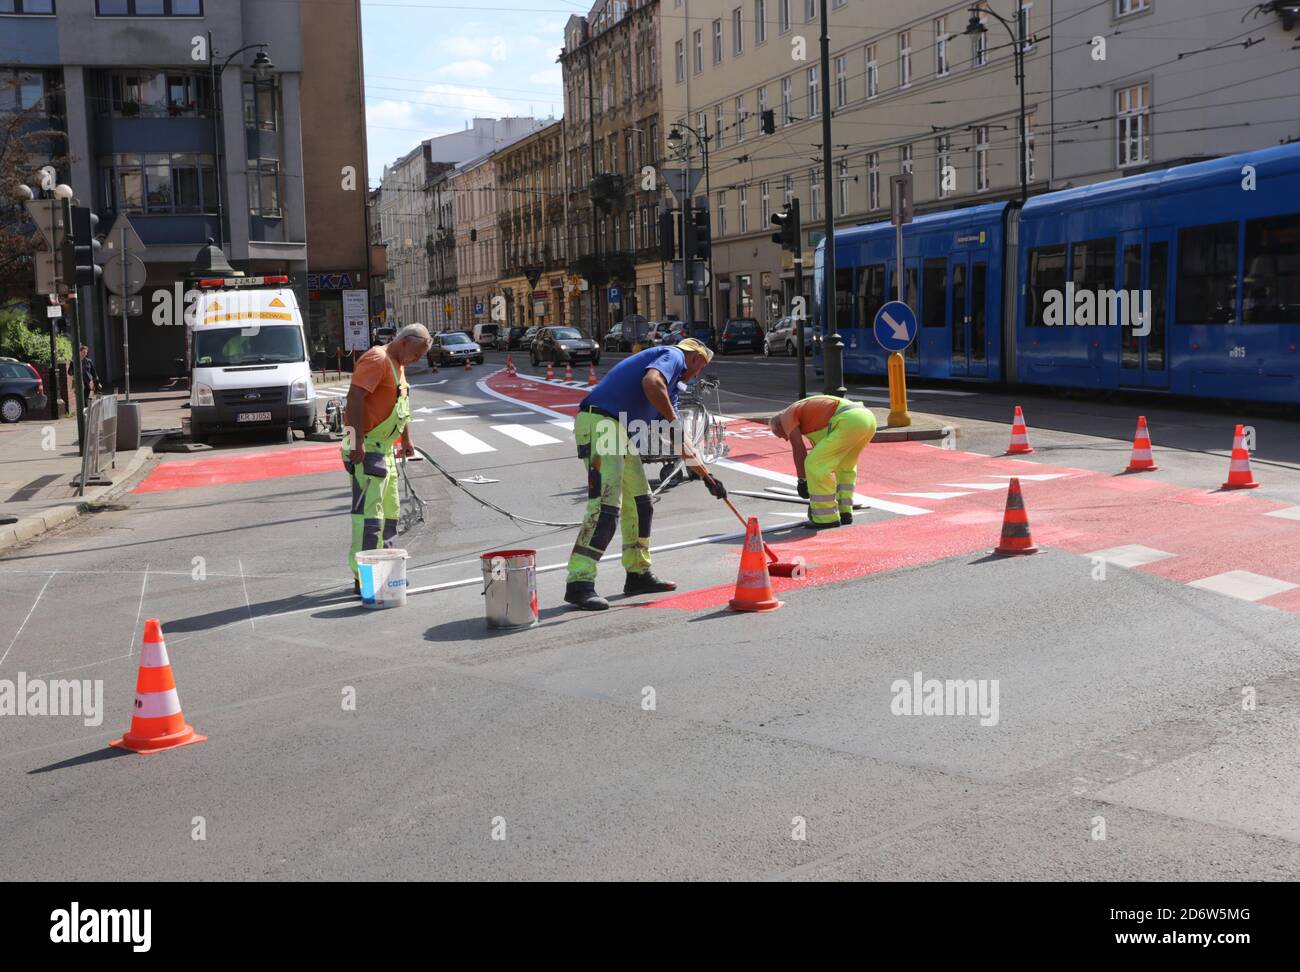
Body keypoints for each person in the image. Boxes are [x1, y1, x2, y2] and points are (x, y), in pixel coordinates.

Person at [564, 337, 726, 611]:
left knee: (641, 504)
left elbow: (680, 439)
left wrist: (708, 477)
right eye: (700, 368)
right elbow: (652, 383)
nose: (697, 374)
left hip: (618, 430)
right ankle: (579, 582)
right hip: (601, 422)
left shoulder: (672, 388)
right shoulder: (672, 355)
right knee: (606, 505)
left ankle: (638, 573)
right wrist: (674, 423)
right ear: (696, 358)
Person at [342, 323, 431, 594]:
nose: (416, 360)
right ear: (404, 342)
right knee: (369, 517)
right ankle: (364, 577)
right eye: (416, 354)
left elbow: (399, 405)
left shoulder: (396, 364)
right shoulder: (377, 358)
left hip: (384, 450)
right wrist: (355, 442)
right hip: (367, 447)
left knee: (389, 514)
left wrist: (405, 440)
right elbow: (354, 399)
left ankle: (386, 570)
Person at [768, 394, 877, 529]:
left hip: (847, 420)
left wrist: (802, 480)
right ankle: (845, 512)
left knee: (814, 464)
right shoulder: (812, 418)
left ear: (780, 425)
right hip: (867, 418)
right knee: (844, 466)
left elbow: (799, 449)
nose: (785, 439)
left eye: (781, 435)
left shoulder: (786, 416)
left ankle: (825, 518)